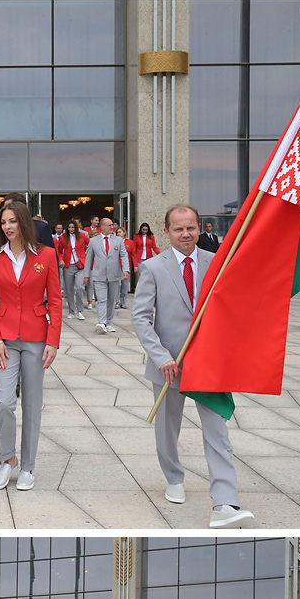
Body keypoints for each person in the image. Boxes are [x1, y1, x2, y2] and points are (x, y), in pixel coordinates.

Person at [132, 203, 246, 522]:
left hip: (209, 364)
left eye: (191, 227)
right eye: (179, 228)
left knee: (217, 429)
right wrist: (162, 357)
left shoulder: (217, 263)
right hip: (169, 364)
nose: (186, 234)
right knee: (168, 429)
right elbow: (141, 319)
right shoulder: (153, 267)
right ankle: (174, 477)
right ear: (166, 232)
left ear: (200, 228)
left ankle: (226, 500)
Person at [0, 194, 61, 491]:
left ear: (24, 222)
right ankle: (8, 460)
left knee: (32, 404)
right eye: (3, 222)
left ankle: (28, 466)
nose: (8, 227)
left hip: (37, 338)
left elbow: (55, 301)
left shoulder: (46, 255)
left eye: (13, 221)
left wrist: (52, 341)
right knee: (4, 401)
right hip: (4, 339)